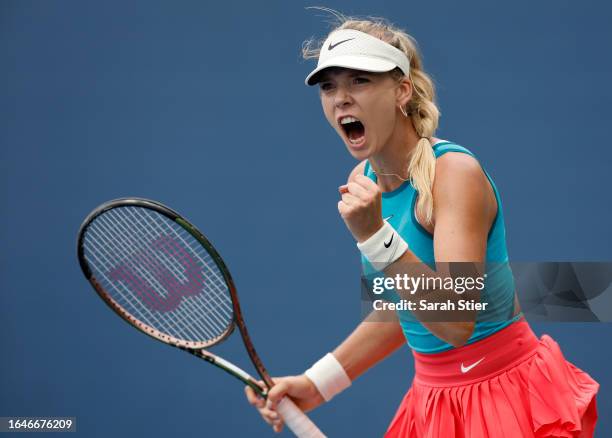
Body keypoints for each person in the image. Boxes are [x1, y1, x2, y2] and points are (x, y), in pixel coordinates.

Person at [245, 13, 600, 437]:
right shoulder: (364, 183)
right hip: (433, 403)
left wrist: (376, 237)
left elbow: (455, 320)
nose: (341, 98)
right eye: (329, 86)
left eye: (360, 80)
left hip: (505, 396)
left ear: (401, 90)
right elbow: (401, 307)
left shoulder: (455, 174)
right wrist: (317, 384)